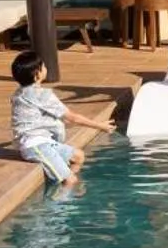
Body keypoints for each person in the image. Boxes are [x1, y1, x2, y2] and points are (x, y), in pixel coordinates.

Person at [10, 52, 114, 186]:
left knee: (79, 156)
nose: (46, 68)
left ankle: (62, 181)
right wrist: (100, 126)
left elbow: (37, 121)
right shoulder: (42, 95)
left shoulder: (19, 93)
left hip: (42, 141)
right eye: (44, 66)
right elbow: (72, 118)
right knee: (71, 180)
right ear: (38, 74)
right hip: (35, 146)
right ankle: (63, 199)